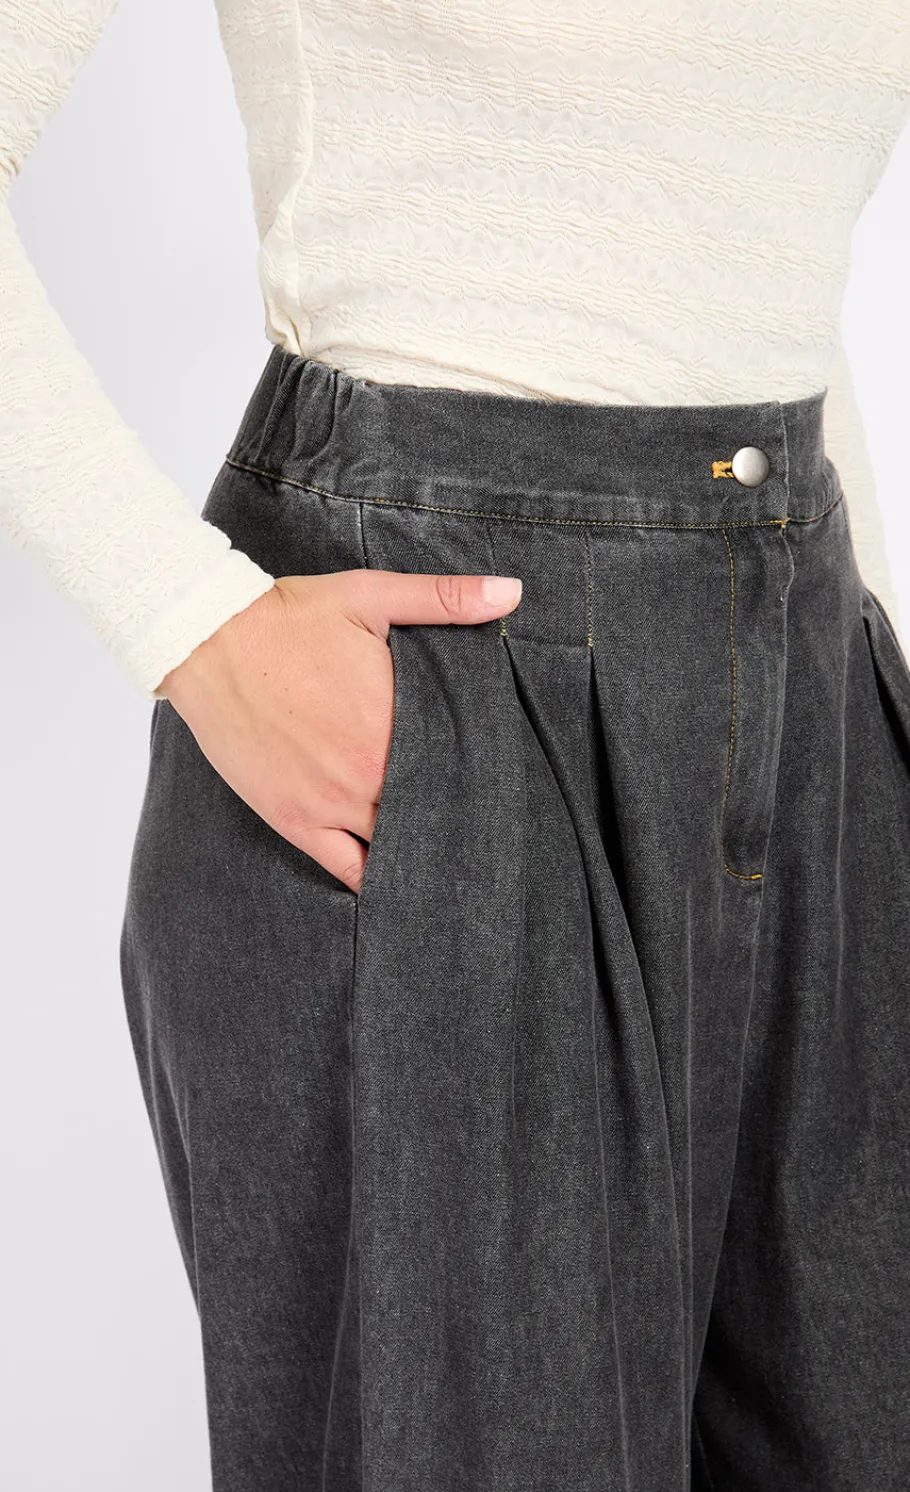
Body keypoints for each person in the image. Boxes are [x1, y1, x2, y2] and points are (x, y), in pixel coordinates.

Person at [2, 3, 910, 1489]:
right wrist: (190, 626)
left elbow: (731, 249)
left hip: (821, 704)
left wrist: (871, 662)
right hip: (440, 678)